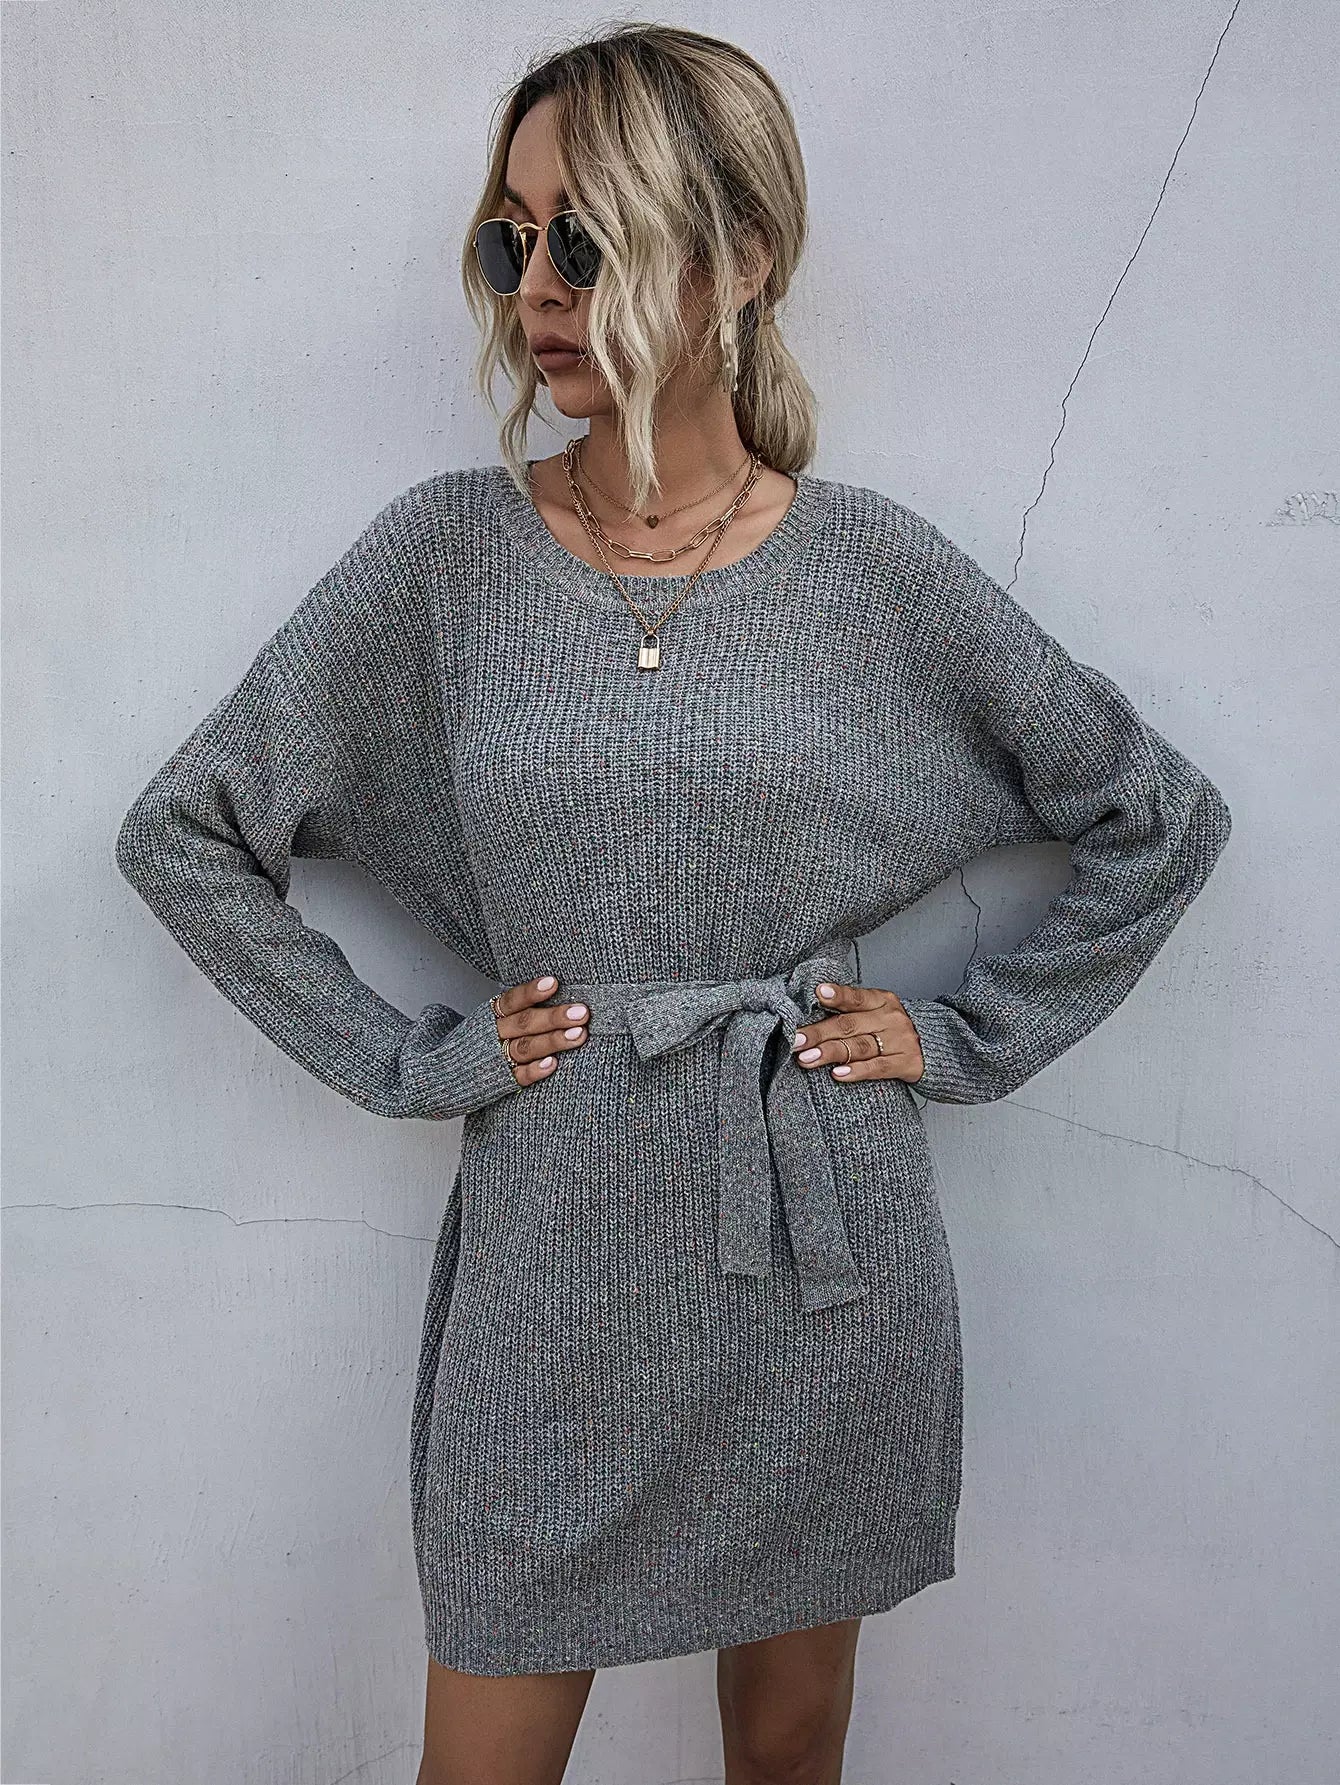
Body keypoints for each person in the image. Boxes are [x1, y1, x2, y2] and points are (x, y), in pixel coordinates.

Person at [114, 21, 1233, 1785]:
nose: (535, 292)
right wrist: (406, 1060)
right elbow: (186, 830)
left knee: (784, 1760)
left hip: (814, 1250)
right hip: (554, 1260)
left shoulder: (872, 571)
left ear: (741, 259)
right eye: (511, 240)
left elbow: (1157, 817)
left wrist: (962, 1037)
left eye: (585, 238)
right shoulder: (444, 560)